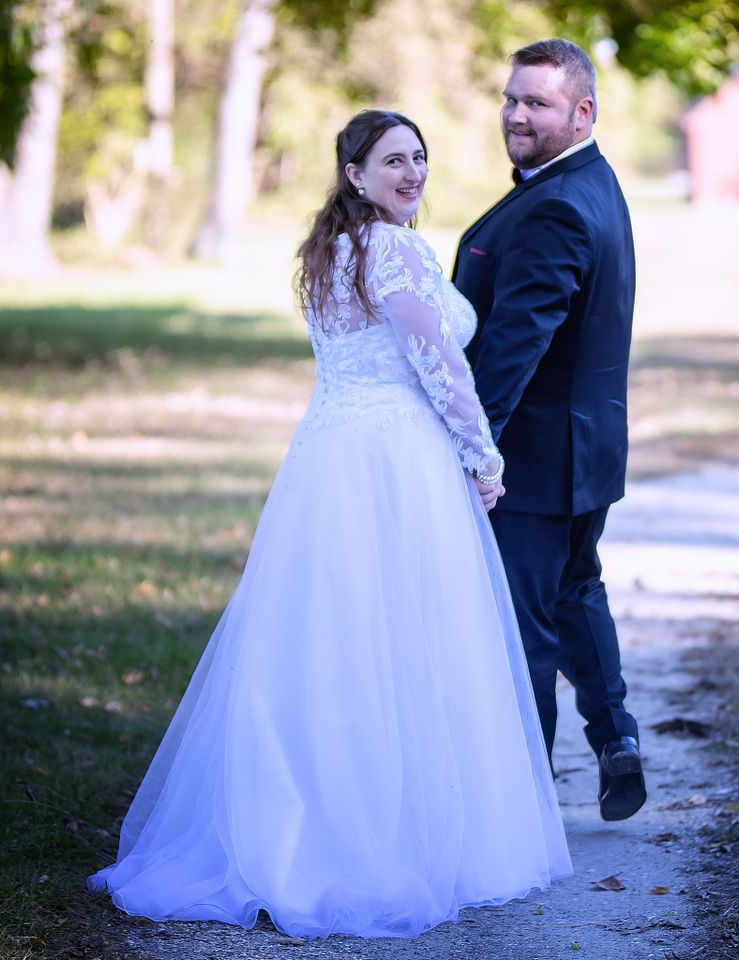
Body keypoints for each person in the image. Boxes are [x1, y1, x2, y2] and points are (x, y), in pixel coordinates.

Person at [88, 109, 571, 939]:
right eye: (392, 161)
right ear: (353, 172)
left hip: (328, 458)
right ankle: (390, 836)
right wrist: (483, 457)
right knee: (405, 636)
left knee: (328, 637)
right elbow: (438, 361)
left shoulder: (330, 253)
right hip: (394, 462)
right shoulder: (393, 249)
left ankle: (316, 813)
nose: (410, 173)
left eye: (419, 158)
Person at [452, 39, 646, 822]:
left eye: (536, 102)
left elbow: (512, 346)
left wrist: (472, 445)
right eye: (511, 99)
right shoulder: (593, 183)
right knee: (575, 592)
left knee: (522, 629)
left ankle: (521, 812)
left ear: (582, 112)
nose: (517, 115)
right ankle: (618, 738)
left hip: (531, 460)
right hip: (585, 451)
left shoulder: (557, 205)